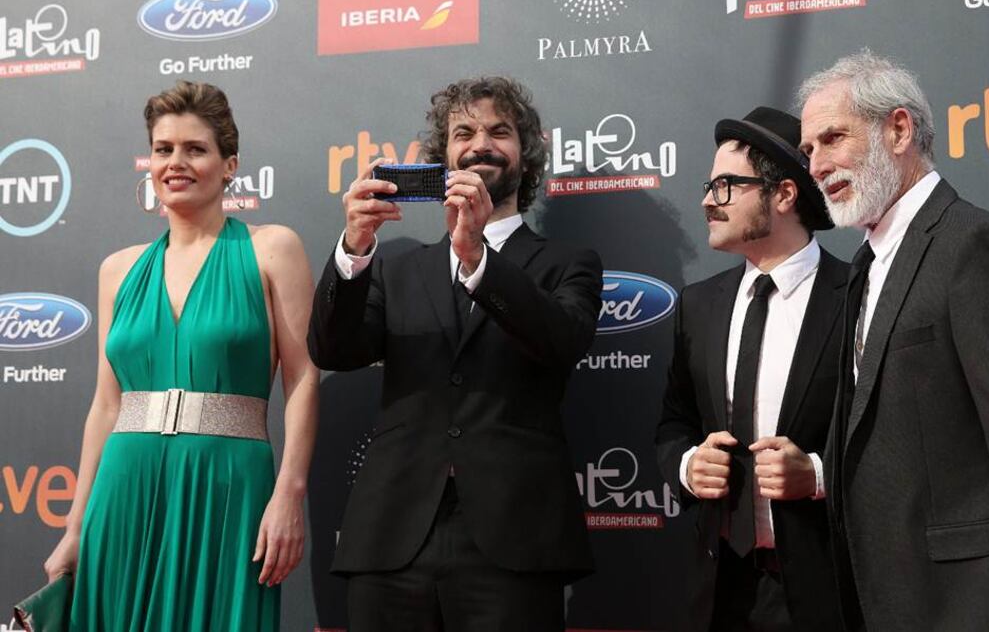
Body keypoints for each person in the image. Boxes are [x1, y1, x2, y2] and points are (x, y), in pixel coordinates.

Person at [797, 50, 989, 631]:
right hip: (885, 605)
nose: (817, 165)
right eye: (808, 151)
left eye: (832, 138)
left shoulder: (973, 246)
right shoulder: (863, 266)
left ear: (898, 129)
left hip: (973, 608)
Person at [307, 75, 602, 631]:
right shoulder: (395, 267)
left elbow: (563, 341)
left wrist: (478, 260)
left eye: (499, 131)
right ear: (441, 156)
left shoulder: (568, 263)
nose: (480, 144)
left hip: (513, 540)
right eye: (462, 132)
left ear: (527, 151)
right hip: (391, 538)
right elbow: (334, 350)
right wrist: (353, 250)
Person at [42, 80, 319, 631]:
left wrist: (289, 493)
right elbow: (106, 405)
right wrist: (75, 525)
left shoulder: (271, 248)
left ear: (229, 164)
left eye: (195, 149)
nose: (176, 162)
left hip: (228, 490)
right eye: (163, 149)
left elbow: (305, 378)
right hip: (125, 487)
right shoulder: (117, 270)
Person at [656, 107, 845, 631]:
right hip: (718, 592)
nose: (706, 202)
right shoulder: (698, 305)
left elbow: (893, 439)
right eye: (708, 185)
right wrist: (687, 466)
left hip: (824, 590)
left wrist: (818, 476)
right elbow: (673, 422)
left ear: (783, 195)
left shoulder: (856, 298)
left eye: (724, 186)